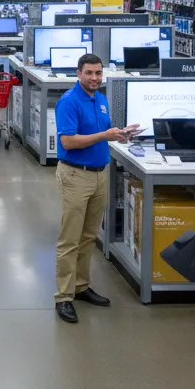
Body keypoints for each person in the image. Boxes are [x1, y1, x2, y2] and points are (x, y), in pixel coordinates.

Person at [53, 53, 139, 324]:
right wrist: (105, 135)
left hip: (100, 175)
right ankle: (64, 297)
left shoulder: (100, 99)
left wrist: (121, 134)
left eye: (98, 73)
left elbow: (102, 134)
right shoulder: (69, 101)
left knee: (89, 236)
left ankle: (80, 286)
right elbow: (68, 142)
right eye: (89, 73)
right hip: (76, 176)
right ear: (78, 73)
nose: (94, 78)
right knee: (70, 238)